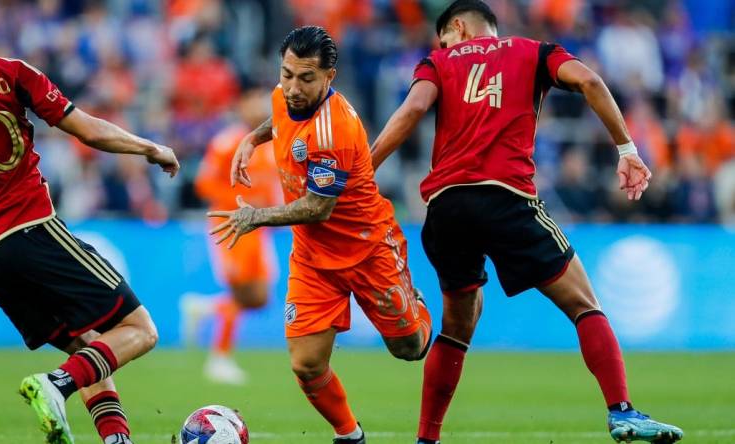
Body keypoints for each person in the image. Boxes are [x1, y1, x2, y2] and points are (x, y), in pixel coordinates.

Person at [369, 1, 684, 443]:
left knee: (457, 326)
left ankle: (427, 439)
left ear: (457, 27)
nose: (444, 45)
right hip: (507, 198)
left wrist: (364, 170)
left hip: (445, 207)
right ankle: (622, 412)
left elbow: (411, 110)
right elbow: (590, 80)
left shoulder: (436, 62)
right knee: (584, 303)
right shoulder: (535, 51)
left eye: (445, 37)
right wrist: (627, 149)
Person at [0, 2, 180, 444]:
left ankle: (116, 439)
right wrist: (150, 148)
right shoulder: (10, 72)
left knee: (90, 345)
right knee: (138, 330)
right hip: (30, 230)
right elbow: (88, 130)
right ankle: (54, 385)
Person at [209, 26, 432, 444]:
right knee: (307, 363)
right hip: (314, 257)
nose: (292, 87)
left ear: (330, 76)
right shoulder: (282, 95)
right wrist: (251, 139)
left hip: (367, 249)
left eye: (306, 78)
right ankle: (349, 435)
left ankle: (415, 305)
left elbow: (317, 207)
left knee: (409, 349)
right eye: (287, 74)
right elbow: (277, 117)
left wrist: (255, 217)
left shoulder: (335, 130)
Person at [187, 88, 281, 384]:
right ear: (241, 105)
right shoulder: (228, 142)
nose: (259, 106)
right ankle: (220, 358)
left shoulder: (272, 144)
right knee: (243, 293)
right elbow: (203, 184)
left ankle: (203, 308)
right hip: (233, 225)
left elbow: (271, 188)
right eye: (253, 100)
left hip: (258, 228)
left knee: (260, 297)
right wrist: (238, 203)